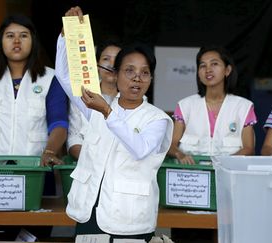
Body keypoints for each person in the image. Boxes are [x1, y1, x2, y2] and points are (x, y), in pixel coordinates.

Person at [56, 7, 173, 242]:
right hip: (89, 212)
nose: (137, 78)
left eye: (145, 73)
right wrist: (67, 33)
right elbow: (65, 77)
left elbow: (139, 149)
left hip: (130, 220)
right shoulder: (97, 107)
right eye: (129, 71)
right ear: (116, 74)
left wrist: (108, 112)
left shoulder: (158, 119)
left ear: (151, 79)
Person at [0, 14, 68, 166]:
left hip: (36, 168)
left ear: (33, 41)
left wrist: (49, 152)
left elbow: (59, 124)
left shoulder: (50, 78)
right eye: (10, 36)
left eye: (23, 36)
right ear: (0, 42)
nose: (16, 41)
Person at [167, 46, 256, 164]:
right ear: (198, 73)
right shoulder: (185, 105)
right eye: (203, 65)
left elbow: (249, 149)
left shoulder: (243, 107)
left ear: (227, 70)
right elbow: (171, 145)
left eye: (214, 64)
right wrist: (180, 154)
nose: (208, 69)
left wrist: (224, 163)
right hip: (191, 175)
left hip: (227, 175)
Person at [68, 39, 121, 160]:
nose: (111, 65)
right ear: (96, 65)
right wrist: (93, 159)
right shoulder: (82, 95)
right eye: (106, 59)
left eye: (117, 60)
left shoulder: (138, 100)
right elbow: (73, 136)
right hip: (87, 165)